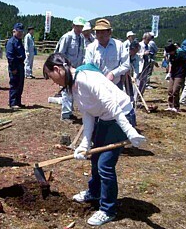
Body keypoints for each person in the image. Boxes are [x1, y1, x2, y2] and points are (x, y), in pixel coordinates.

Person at [43, 53, 145, 226]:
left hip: (121, 116)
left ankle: (107, 209)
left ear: (57, 69)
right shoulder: (73, 84)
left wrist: (129, 130)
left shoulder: (86, 78)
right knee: (95, 158)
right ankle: (95, 192)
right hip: (106, 119)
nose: (54, 83)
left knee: (105, 164)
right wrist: (85, 143)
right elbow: (87, 113)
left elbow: (111, 104)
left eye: (52, 78)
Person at [84, 18, 130, 90]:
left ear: (109, 32)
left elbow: (126, 65)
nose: (100, 35)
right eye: (98, 32)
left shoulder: (119, 45)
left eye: (102, 32)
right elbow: (88, 66)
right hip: (97, 86)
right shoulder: (90, 48)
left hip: (115, 85)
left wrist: (113, 73)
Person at [57, 16, 86, 120]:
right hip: (67, 69)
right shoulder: (67, 37)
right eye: (78, 26)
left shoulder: (81, 38)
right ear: (73, 26)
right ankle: (65, 114)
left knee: (73, 90)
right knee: (66, 91)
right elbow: (60, 54)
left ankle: (69, 112)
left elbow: (82, 53)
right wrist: (65, 68)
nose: (80, 29)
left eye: (81, 27)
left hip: (77, 69)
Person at [164, 44, 186, 112]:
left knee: (175, 90)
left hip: (180, 74)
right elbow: (171, 63)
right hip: (173, 74)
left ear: (173, 50)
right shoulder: (171, 55)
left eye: (170, 52)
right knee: (170, 90)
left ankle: (176, 107)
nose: (170, 53)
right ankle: (170, 105)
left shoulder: (180, 53)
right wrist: (169, 72)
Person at [6, 23, 26, 109]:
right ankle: (13, 103)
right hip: (15, 66)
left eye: (22, 31)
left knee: (20, 85)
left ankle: (18, 101)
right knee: (14, 84)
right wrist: (13, 68)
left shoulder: (19, 41)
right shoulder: (11, 42)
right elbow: (10, 56)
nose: (21, 33)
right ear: (14, 31)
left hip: (21, 65)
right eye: (19, 31)